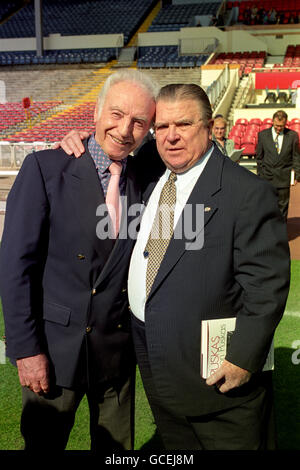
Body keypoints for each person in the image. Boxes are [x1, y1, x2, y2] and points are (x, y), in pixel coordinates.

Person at [60, 83, 290, 450]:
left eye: (182, 125)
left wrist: (244, 356)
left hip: (218, 381)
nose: (171, 137)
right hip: (156, 362)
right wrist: (82, 139)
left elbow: (267, 285)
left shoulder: (247, 192)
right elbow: (115, 142)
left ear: (210, 125)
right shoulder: (155, 176)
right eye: (162, 127)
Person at [0, 69, 157, 452]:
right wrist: (25, 350)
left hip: (117, 358)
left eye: (139, 121)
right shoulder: (45, 168)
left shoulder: (150, 176)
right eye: (116, 114)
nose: (124, 129)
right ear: (96, 113)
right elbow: (15, 266)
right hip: (53, 354)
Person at [256, 110, 300, 221]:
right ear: (272, 121)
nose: (278, 128)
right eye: (276, 125)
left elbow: (295, 157)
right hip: (267, 178)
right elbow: (259, 158)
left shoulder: (292, 136)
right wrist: (261, 175)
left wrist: (297, 175)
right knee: (267, 207)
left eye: (281, 126)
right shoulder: (262, 135)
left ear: (286, 123)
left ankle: (281, 233)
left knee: (282, 208)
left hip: (283, 178)